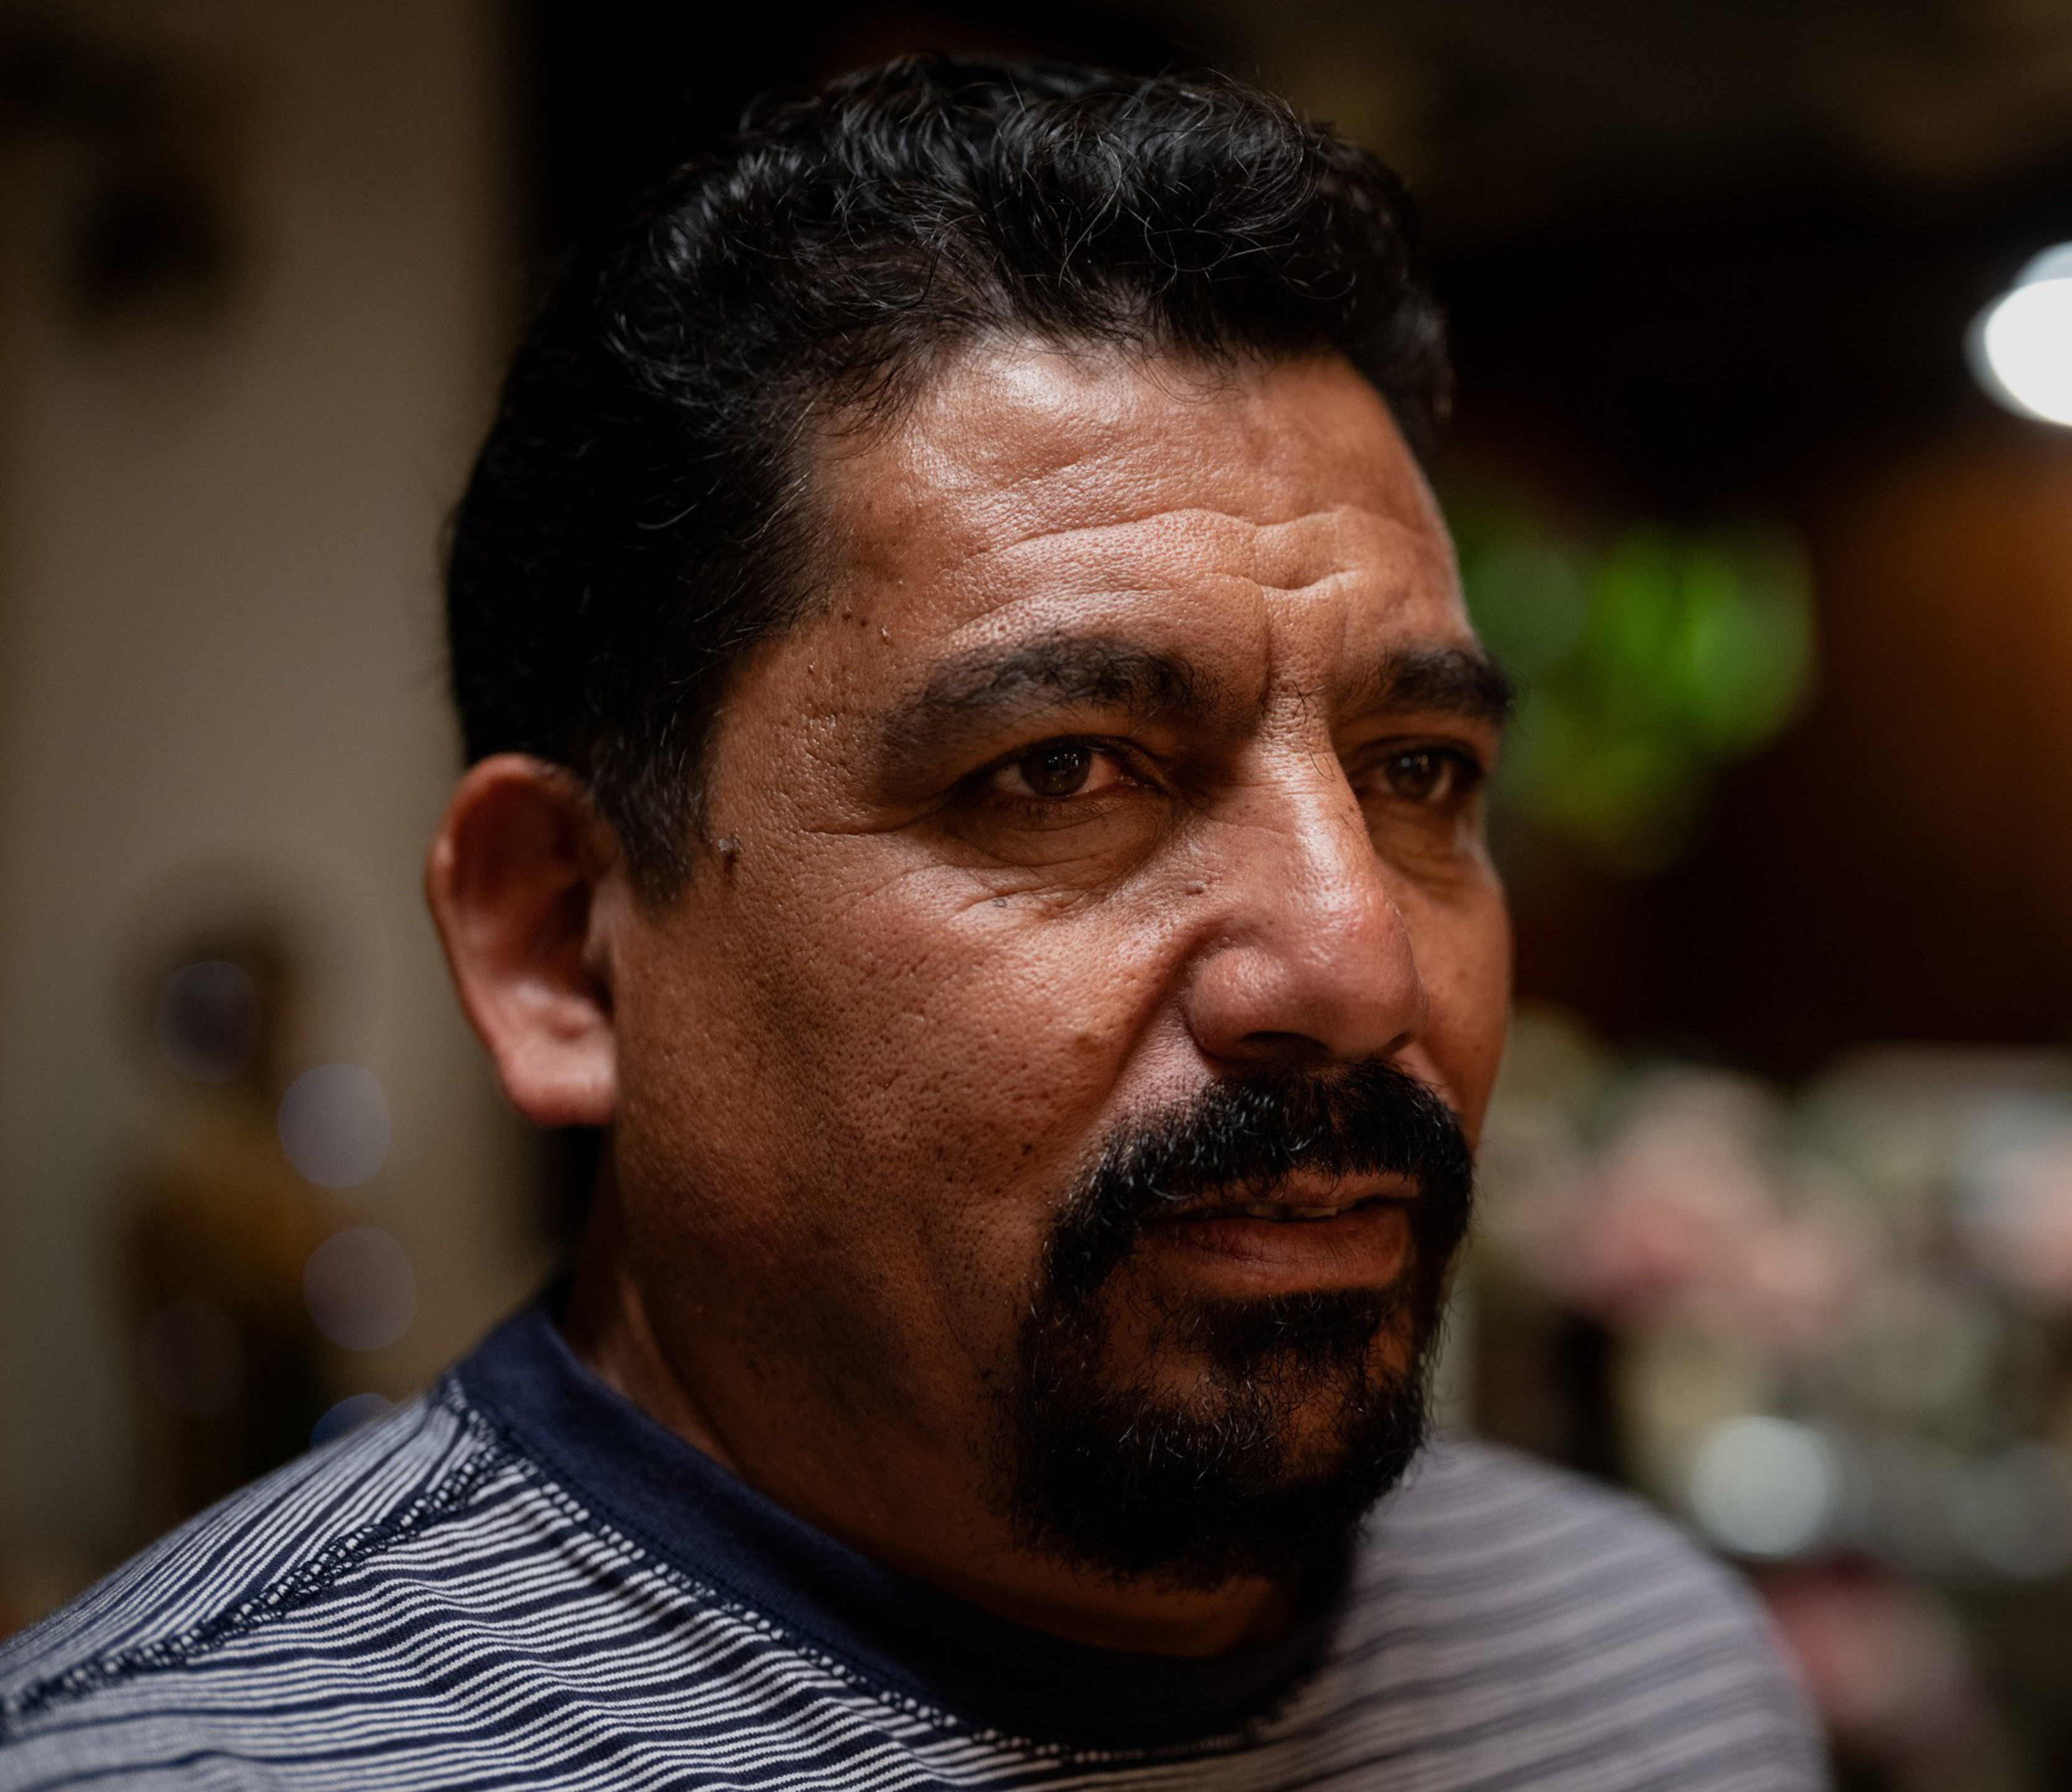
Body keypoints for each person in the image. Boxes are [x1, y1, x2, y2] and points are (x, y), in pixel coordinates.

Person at [0, 56, 1820, 1790]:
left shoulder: (1656, 1671)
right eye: (1063, 771)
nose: (1357, 968)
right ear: (563, 945)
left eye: (1418, 771)